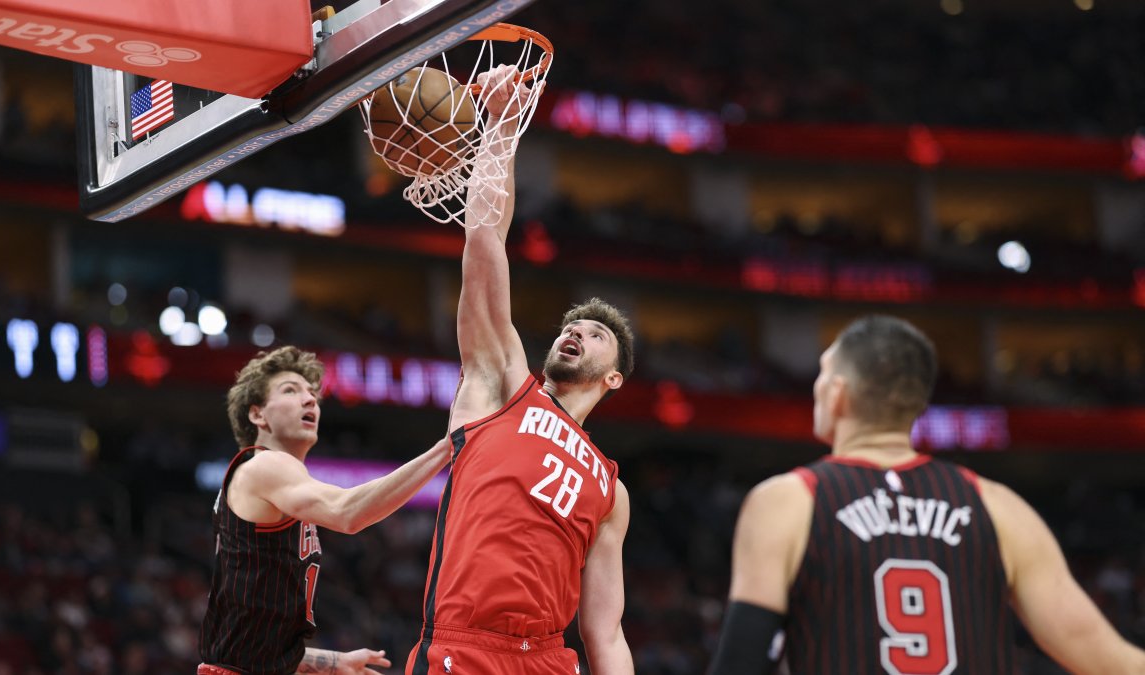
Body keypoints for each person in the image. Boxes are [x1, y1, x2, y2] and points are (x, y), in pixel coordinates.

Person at [708, 315, 1145, 675]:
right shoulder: (998, 506)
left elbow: (740, 662)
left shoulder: (788, 501)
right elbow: (1103, 656)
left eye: (823, 374)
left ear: (837, 394)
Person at [404, 65, 636, 675]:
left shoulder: (611, 490)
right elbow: (484, 244)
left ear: (614, 377)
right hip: (468, 646)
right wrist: (502, 127)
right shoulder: (504, 384)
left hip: (551, 660)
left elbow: (606, 631)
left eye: (596, 334)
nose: (576, 332)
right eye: (571, 326)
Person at [199, 345, 452, 675]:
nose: (309, 400)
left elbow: (244, 641)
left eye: (312, 394)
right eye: (291, 391)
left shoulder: (278, 484)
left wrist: (332, 662)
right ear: (258, 414)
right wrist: (446, 448)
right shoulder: (264, 465)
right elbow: (347, 512)